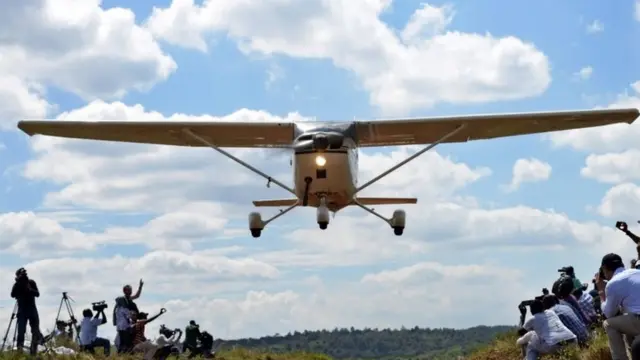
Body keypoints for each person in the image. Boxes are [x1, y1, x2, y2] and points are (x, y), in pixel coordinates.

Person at [596, 253, 640, 360]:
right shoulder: (637, 272)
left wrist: (601, 292)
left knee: (609, 324)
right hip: (635, 317)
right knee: (625, 317)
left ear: (604, 268)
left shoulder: (613, 283)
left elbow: (608, 314)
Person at [10, 267, 42, 355]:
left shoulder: (31, 282)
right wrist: (18, 284)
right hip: (22, 311)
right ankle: (19, 351)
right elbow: (12, 295)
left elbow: (37, 294)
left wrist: (29, 289)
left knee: (35, 331)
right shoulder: (17, 284)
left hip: (32, 310)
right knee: (21, 332)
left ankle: (33, 351)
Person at [114, 279, 144, 353]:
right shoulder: (122, 302)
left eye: (130, 290)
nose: (130, 292)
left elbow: (137, 295)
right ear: (125, 291)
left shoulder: (128, 299)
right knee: (124, 343)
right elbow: (127, 314)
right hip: (124, 325)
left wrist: (140, 287)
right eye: (128, 290)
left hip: (128, 323)